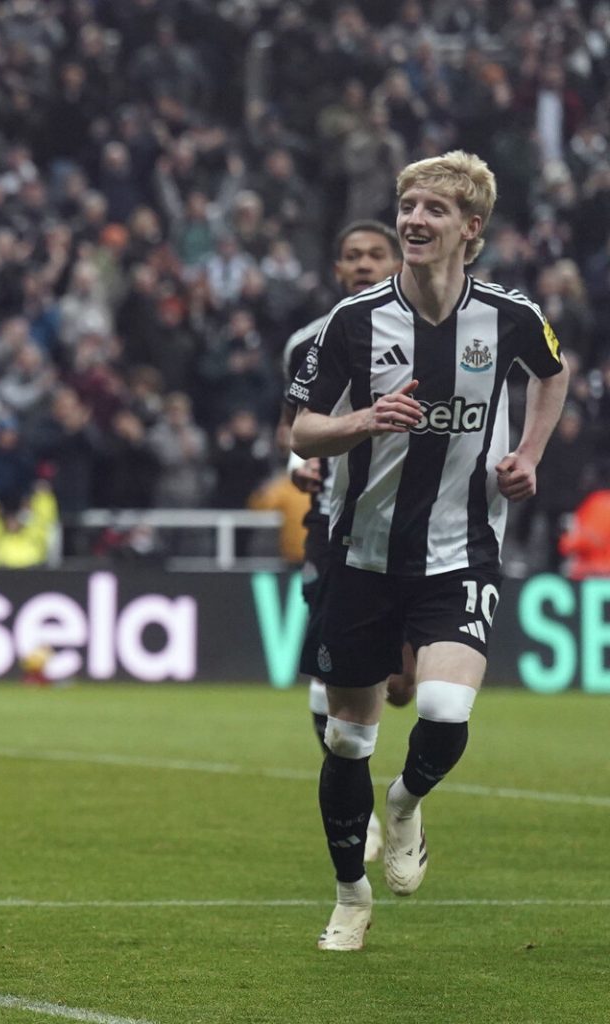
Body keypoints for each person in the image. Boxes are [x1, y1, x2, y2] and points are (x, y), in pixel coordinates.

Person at [288, 152, 569, 951]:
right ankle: (350, 896)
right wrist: (364, 420)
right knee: (348, 739)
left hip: (461, 551)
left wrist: (529, 456)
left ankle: (406, 803)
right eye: (407, 205)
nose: (413, 219)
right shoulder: (353, 322)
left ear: (470, 229)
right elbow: (303, 430)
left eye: (433, 209)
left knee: (444, 710)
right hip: (363, 555)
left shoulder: (511, 315)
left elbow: (553, 374)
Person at [278, 220, 413, 865]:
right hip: (334, 524)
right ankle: (360, 806)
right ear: (337, 269)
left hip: (413, 525)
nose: (363, 264)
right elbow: (291, 427)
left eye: (375, 254)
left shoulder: (429, 333)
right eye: (352, 256)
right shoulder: (308, 341)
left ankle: (402, 789)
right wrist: (296, 464)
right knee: (328, 669)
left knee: (403, 686)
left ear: (398, 261)